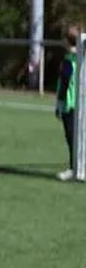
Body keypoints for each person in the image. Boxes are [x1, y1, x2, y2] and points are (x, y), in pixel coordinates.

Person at [55, 25, 80, 182]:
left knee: (71, 138)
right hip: (79, 104)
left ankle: (73, 168)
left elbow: (63, 86)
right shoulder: (80, 58)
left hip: (70, 105)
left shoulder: (68, 61)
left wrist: (58, 105)